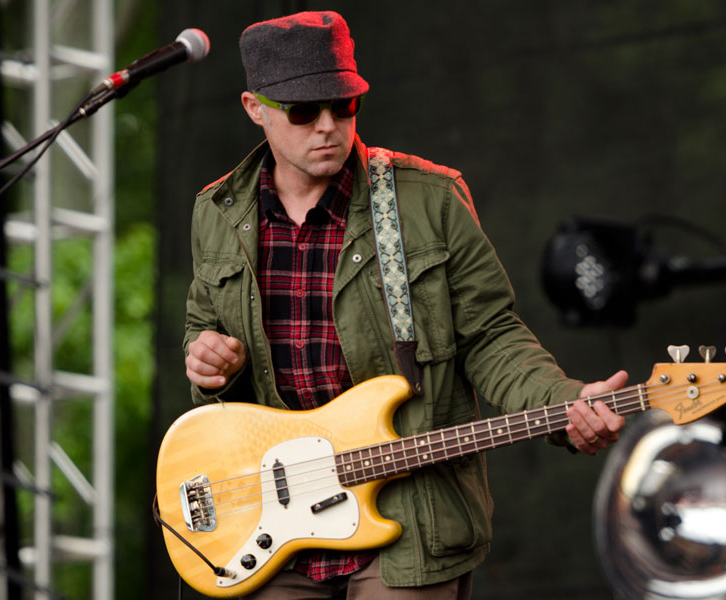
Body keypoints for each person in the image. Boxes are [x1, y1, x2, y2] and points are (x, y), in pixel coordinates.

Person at [183, 10, 627, 599]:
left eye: (343, 106)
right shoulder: (215, 212)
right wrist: (206, 363)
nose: (327, 127)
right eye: (302, 111)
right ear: (253, 108)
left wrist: (567, 401)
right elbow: (202, 331)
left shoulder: (428, 200)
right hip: (270, 525)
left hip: (409, 521)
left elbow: (491, 336)